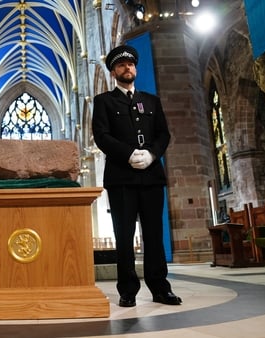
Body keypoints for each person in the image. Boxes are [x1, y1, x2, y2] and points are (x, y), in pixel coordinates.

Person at [92, 45, 181, 307]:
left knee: (154, 234)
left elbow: (163, 134)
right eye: (121, 65)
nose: (126, 68)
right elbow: (102, 136)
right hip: (121, 177)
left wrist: (152, 155)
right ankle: (127, 289)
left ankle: (160, 287)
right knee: (124, 234)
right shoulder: (104, 102)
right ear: (113, 72)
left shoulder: (151, 101)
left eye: (130, 64)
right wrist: (129, 154)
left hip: (152, 176)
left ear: (135, 68)